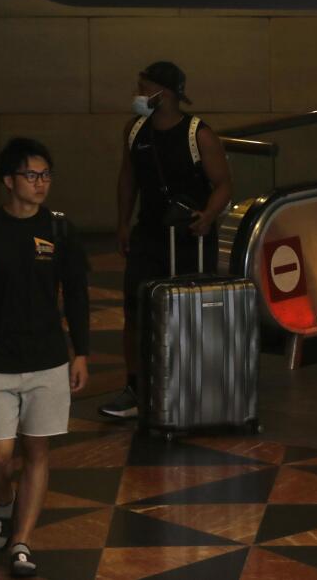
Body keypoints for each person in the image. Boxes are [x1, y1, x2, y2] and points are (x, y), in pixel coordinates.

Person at [100, 61, 233, 419]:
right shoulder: (135, 131)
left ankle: (194, 384)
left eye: (145, 88)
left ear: (166, 93)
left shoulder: (198, 134)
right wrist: (123, 224)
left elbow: (223, 184)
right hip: (150, 234)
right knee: (135, 307)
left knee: (191, 310)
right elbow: (127, 179)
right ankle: (135, 386)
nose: (139, 95)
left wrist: (207, 217)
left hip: (190, 236)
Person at [0, 138, 89, 578]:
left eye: (46, 175)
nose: (40, 183)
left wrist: (81, 352)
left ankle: (21, 542)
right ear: (8, 181)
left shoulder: (60, 230)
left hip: (47, 359)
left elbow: (78, 295)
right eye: (31, 175)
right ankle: (4, 502)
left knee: (37, 450)